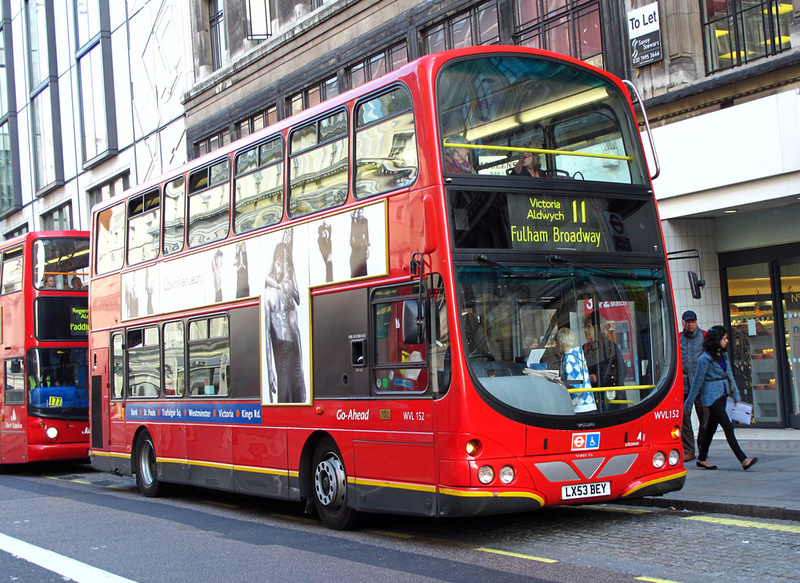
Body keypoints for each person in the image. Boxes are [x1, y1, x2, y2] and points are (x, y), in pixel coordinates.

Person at [684, 326, 758, 471]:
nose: (727, 341)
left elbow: (730, 374)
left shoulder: (723, 356)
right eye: (724, 338)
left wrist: (736, 393)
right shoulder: (704, 359)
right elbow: (697, 383)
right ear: (716, 340)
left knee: (711, 428)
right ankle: (743, 459)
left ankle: (702, 458)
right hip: (711, 397)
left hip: (723, 394)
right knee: (728, 426)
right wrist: (688, 403)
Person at [680, 310, 708, 461]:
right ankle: (689, 450)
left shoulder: (704, 336)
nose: (690, 324)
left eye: (693, 321)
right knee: (684, 418)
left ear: (696, 322)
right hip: (684, 386)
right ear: (683, 322)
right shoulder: (678, 338)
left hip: (701, 386)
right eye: (687, 321)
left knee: (705, 419)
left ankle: (703, 448)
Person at [582, 313, 626, 407]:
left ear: (599, 329)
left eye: (589, 327)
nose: (585, 330)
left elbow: (622, 371)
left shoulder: (611, 347)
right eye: (585, 327)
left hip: (611, 397)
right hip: (592, 398)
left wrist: (599, 379)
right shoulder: (584, 349)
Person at [555, 327, 596, 413]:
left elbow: (575, 382)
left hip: (580, 405)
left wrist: (559, 384)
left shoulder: (569, 358)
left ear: (560, 343)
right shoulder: (578, 355)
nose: (556, 347)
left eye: (556, 344)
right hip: (588, 402)